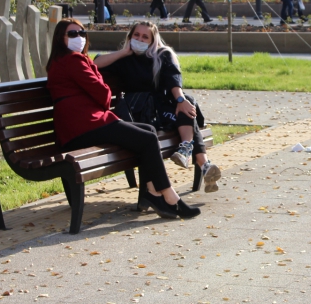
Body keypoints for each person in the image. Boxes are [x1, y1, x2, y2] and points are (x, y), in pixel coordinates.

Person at [45, 19, 200, 219]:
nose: (79, 38)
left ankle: (151, 192)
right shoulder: (73, 60)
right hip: (84, 126)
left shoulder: (62, 61)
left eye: (82, 34)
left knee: (149, 131)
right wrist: (101, 86)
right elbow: (103, 95)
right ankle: (170, 197)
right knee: (148, 139)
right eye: (72, 34)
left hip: (81, 126)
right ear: (61, 38)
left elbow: (95, 78)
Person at [93, 21, 222, 193]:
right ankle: (202, 162)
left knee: (186, 105)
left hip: (161, 108)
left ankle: (188, 151)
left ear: (153, 40)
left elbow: (173, 80)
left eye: (145, 37)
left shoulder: (162, 55)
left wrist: (180, 99)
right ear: (130, 37)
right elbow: (96, 62)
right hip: (141, 113)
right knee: (185, 112)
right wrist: (124, 51)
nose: (140, 39)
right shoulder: (124, 59)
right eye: (136, 35)